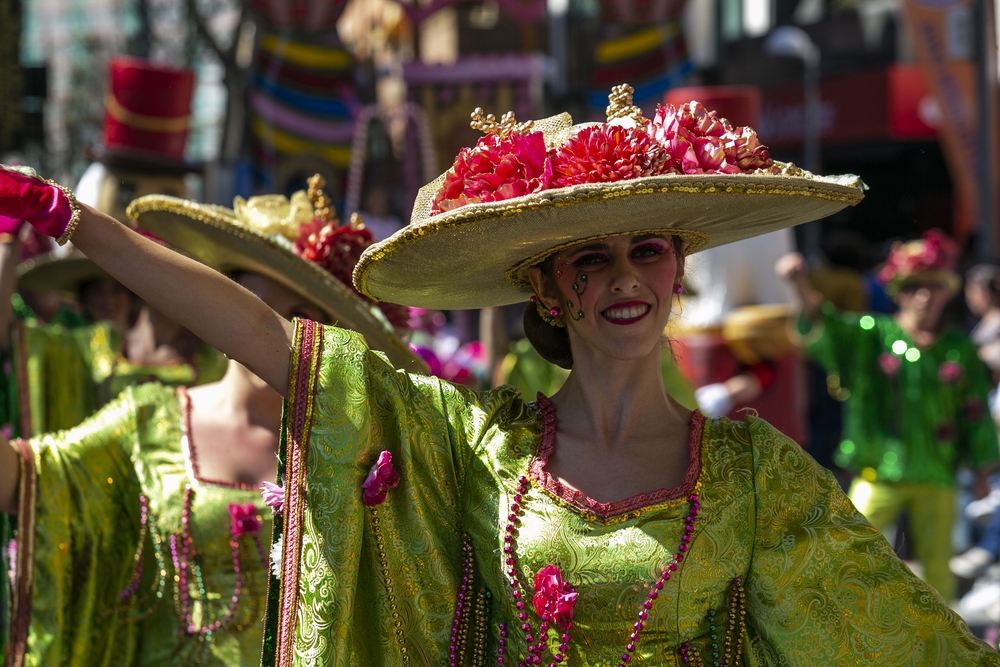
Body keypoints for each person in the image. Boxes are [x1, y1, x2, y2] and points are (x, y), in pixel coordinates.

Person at [0, 88, 994, 664]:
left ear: (677, 271)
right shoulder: (481, 448)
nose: (623, 279)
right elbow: (268, 336)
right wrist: (62, 213)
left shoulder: (754, 474)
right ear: (549, 291)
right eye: (588, 261)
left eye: (644, 250)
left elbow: (897, 640)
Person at [0, 176, 423, 666]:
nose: (301, 336)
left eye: (319, 321)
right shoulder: (149, 421)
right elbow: (22, 483)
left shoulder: (369, 453)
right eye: (280, 315)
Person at [777, 231, 1000, 603]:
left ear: (947, 292)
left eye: (934, 287)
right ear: (898, 292)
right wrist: (798, 281)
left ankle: (941, 648)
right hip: (881, 470)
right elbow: (825, 325)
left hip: (937, 472)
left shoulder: (959, 348)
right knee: (851, 551)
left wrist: (980, 471)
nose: (925, 296)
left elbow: (974, 411)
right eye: (914, 287)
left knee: (939, 568)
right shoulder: (874, 335)